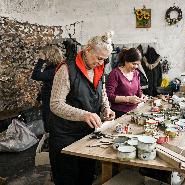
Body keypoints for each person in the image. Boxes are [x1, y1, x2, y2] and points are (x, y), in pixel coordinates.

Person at [49, 31, 116, 185]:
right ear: (87, 49)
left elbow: (102, 91)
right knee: (68, 179)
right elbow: (55, 104)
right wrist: (84, 115)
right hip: (65, 136)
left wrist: (106, 108)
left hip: (87, 135)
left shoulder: (99, 69)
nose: (101, 63)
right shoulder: (66, 70)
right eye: (99, 58)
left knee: (86, 177)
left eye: (104, 60)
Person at [106, 48, 146, 118]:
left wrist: (142, 96)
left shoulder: (136, 73)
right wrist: (128, 99)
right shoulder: (115, 73)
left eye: (138, 64)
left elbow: (139, 91)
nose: (136, 67)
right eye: (133, 64)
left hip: (134, 111)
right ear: (126, 61)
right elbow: (109, 96)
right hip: (119, 113)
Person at [31, 45, 63, 132]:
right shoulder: (51, 68)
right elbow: (47, 84)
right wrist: (38, 98)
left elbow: (35, 75)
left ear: (48, 55)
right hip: (47, 101)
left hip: (51, 103)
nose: (40, 56)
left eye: (42, 54)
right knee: (47, 124)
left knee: (50, 126)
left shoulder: (56, 69)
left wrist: (41, 60)